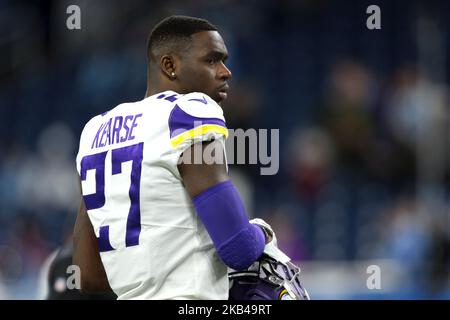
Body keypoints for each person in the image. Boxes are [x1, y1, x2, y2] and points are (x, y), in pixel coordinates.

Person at [72, 15, 273, 300]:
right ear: (170, 65)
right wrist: (263, 233)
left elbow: (87, 276)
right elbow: (238, 248)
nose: (226, 72)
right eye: (212, 60)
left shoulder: (94, 130)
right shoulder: (191, 110)